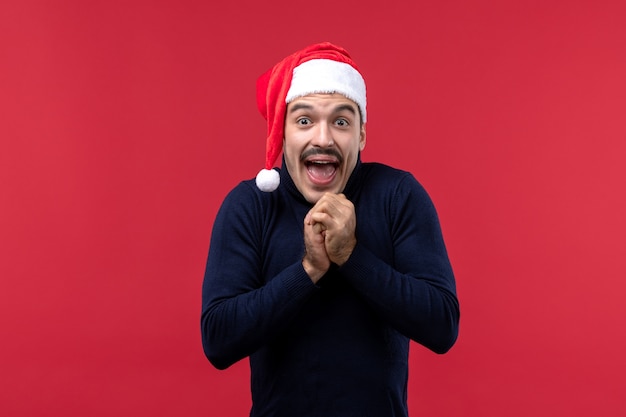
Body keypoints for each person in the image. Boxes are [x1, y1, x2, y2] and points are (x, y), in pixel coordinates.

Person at [201, 42, 460, 417]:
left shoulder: (398, 196)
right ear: (283, 133)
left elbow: (442, 326)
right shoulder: (251, 205)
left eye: (341, 122)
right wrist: (309, 270)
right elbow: (218, 340)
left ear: (362, 136)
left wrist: (351, 257)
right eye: (304, 120)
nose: (323, 139)